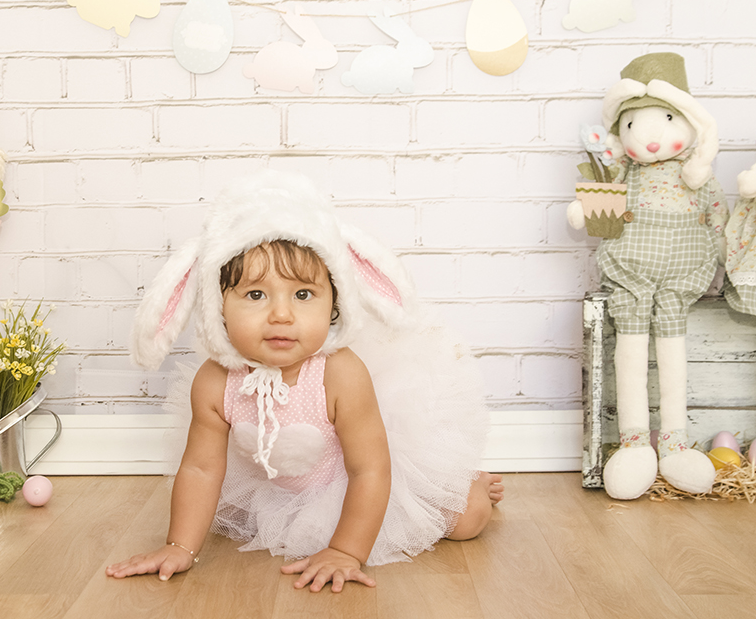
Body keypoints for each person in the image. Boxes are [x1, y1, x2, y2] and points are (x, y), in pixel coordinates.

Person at [106, 172, 502, 592]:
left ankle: (469, 482)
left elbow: (370, 468)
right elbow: (202, 469)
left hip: (362, 480)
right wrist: (179, 546)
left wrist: (346, 551)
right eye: (256, 295)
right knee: (236, 520)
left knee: (466, 518)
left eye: (302, 295)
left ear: (335, 301)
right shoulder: (213, 381)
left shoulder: (339, 374)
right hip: (282, 482)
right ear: (216, 305)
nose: (281, 315)